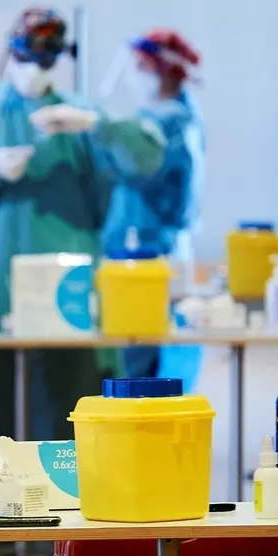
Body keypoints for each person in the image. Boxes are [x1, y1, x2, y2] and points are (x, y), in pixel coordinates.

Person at [0, 7, 164, 556]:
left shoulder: (85, 114)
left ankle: (69, 552)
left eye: (48, 57)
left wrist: (96, 128)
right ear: (12, 52)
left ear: (63, 58)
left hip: (71, 293)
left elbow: (148, 159)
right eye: (27, 55)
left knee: (68, 418)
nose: (36, 68)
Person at [103, 30, 205, 379]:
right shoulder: (171, 116)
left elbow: (144, 165)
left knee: (146, 373)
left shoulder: (170, 122)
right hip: (154, 252)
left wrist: (102, 127)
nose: (133, 74)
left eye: (141, 66)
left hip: (152, 254)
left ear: (166, 70)